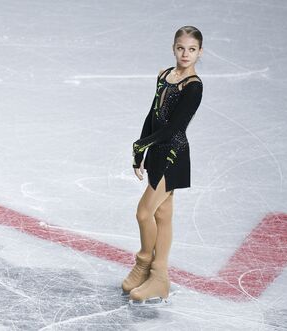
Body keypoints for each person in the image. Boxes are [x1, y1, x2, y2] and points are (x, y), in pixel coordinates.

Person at [123, 26, 204, 307]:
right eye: (181, 48)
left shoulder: (194, 86)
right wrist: (140, 150)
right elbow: (152, 115)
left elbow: (174, 127)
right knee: (163, 215)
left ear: (199, 52)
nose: (185, 54)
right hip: (157, 151)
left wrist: (141, 144)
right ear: (173, 47)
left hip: (173, 155)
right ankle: (160, 279)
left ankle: (146, 264)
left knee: (144, 212)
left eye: (191, 49)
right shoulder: (164, 75)